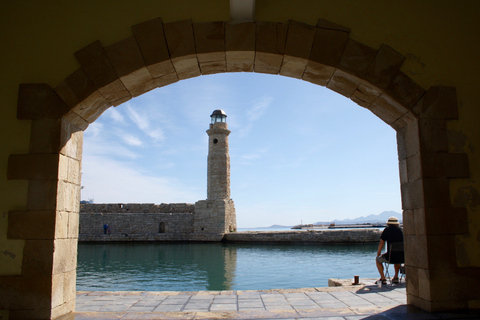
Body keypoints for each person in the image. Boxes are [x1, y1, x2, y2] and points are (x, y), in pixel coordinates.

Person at [376, 216, 404, 285]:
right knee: (397, 259)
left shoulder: (387, 230)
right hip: (402, 257)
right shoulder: (401, 230)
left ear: (388, 224)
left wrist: (379, 252)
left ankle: (383, 279)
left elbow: (381, 242)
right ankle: (396, 277)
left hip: (390, 257)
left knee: (378, 260)